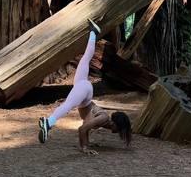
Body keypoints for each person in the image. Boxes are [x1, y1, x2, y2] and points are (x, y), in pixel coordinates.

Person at [38, 18, 132, 155]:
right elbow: (82, 130)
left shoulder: (104, 121)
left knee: (86, 59)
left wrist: (87, 144)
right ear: (117, 125)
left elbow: (85, 127)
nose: (118, 133)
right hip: (85, 91)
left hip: (85, 96)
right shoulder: (105, 119)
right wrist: (84, 148)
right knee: (68, 105)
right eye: (120, 130)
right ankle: (48, 123)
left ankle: (93, 32)